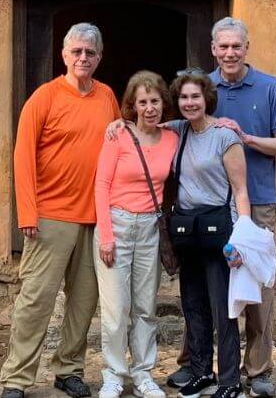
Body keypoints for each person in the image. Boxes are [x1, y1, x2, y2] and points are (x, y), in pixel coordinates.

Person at [168, 19, 276, 398]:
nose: (229, 53)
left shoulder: (268, 87)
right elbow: (171, 126)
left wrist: (245, 135)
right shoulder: (203, 88)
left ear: (247, 47)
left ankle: (257, 370)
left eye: (236, 46)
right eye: (223, 47)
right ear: (212, 48)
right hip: (212, 210)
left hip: (258, 199)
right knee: (204, 288)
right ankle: (196, 363)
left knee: (255, 291)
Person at [0, 23, 120, 398]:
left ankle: (68, 369)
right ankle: (17, 378)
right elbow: (23, 158)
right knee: (36, 300)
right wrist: (27, 213)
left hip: (96, 218)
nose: (83, 58)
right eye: (76, 52)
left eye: (90, 52)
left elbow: (121, 147)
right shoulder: (44, 97)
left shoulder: (107, 97)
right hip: (51, 216)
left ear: (100, 57)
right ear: (64, 55)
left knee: (84, 303)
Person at [164, 69, 251, 398]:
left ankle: (230, 381)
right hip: (188, 233)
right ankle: (201, 372)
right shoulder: (177, 131)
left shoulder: (225, 136)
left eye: (195, 97)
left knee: (222, 309)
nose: (189, 103)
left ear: (206, 99)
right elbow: (143, 128)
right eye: (184, 97)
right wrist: (119, 124)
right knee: (193, 305)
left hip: (220, 233)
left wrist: (240, 238)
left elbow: (241, 191)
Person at [94, 71, 179, 398]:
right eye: (142, 102)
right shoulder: (119, 135)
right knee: (116, 310)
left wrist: (226, 126)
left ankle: (143, 374)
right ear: (132, 105)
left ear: (163, 103)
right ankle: (114, 375)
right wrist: (106, 235)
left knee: (145, 308)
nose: (149, 108)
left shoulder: (172, 137)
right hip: (116, 223)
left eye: (155, 101)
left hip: (149, 229)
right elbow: (101, 185)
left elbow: (200, 125)